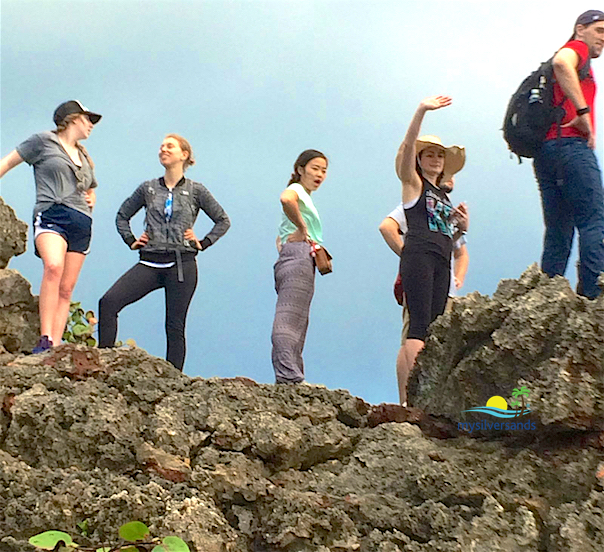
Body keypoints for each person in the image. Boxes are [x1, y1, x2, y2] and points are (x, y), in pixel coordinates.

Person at [98, 134, 230, 371]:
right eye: (161, 146)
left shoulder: (196, 190)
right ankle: (102, 363)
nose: (163, 149)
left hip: (182, 264)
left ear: (184, 155)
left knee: (174, 326)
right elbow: (122, 216)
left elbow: (222, 220)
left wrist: (203, 242)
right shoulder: (148, 188)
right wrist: (131, 240)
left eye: (170, 146)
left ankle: (174, 382)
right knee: (108, 302)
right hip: (150, 262)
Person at [0, 100, 102, 353]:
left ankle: (56, 345)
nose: (91, 125)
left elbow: (91, 187)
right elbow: (9, 162)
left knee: (67, 288)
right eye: (88, 119)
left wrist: (92, 199)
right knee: (53, 267)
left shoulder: (85, 156)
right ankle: (45, 337)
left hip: (81, 222)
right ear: (73, 119)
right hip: (52, 214)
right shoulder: (43, 141)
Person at [394, 96, 468, 406]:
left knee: (437, 329)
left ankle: (429, 397)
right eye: (430, 154)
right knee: (419, 326)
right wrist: (421, 111)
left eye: (440, 155)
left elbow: (450, 241)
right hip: (419, 256)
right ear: (421, 159)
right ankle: (414, 399)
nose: (436, 159)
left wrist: (461, 228)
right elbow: (406, 150)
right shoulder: (414, 185)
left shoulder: (443, 196)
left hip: (441, 260)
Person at [379, 176, 469, 405]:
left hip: (444, 284)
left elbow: (460, 252)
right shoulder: (417, 201)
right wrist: (410, 255)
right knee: (415, 332)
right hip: (422, 276)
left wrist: (458, 277)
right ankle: (411, 399)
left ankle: (411, 399)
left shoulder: (445, 209)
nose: (450, 178)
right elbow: (387, 226)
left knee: (430, 336)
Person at [533, 10, 604, 299]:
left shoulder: (576, 55)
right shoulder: (577, 49)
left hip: (546, 152)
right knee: (594, 220)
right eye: (600, 30)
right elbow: (562, 62)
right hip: (571, 146)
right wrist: (584, 112)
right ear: (580, 29)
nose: (603, 38)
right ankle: (594, 296)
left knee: (559, 230)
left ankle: (544, 297)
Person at [271, 149, 328, 384]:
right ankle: (289, 376)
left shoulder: (306, 196)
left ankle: (291, 374)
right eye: (315, 168)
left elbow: (280, 238)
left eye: (324, 171)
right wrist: (303, 228)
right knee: (290, 318)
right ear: (300, 169)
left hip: (298, 257)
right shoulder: (296, 190)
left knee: (298, 320)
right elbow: (286, 199)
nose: (320, 174)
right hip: (299, 256)